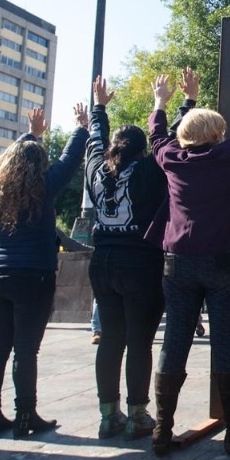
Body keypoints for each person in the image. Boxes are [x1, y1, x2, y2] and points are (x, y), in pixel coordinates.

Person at [145, 68, 230, 457]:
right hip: (223, 263)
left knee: (175, 340)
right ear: (216, 133)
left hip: (178, 262)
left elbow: (157, 135)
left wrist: (160, 101)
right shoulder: (229, 155)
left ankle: (161, 431)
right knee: (224, 342)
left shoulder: (171, 158)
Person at [0, 104, 89, 439]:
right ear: (39, 165)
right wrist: (82, 126)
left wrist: (32, 135)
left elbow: (26, 156)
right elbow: (69, 160)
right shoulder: (43, 188)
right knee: (25, 350)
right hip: (32, 276)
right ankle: (25, 416)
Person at [85, 75, 177, 441]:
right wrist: (166, 104)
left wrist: (99, 108)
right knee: (139, 340)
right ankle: (137, 414)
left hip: (102, 262)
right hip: (140, 262)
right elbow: (167, 142)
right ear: (140, 150)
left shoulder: (96, 169)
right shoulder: (149, 170)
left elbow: (94, 141)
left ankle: (108, 416)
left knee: (110, 338)